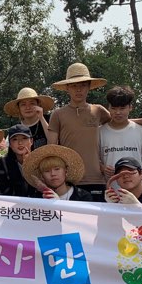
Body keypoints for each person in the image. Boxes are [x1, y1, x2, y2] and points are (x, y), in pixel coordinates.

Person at [47, 63, 111, 201]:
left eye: (83, 85)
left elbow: (120, 122)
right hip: (69, 181)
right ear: (67, 88)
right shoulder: (57, 114)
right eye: (74, 85)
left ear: (89, 87)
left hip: (96, 178)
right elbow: (51, 149)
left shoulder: (98, 110)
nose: (79, 90)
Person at [99, 86, 142, 183]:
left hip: (137, 193)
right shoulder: (99, 132)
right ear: (108, 108)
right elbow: (94, 160)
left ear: (130, 107)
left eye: (122, 108)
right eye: (113, 108)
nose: (118, 112)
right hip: (109, 191)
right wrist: (102, 168)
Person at [22, 144, 92, 202]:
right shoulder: (36, 199)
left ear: (66, 171)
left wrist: (58, 204)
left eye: (57, 169)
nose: (53, 174)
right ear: (42, 176)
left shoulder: (83, 196)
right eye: (47, 171)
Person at [0, 124, 42, 198]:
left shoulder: (41, 161)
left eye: (24, 138)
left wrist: (29, 167)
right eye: (15, 139)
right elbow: (3, 191)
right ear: (10, 144)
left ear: (31, 141)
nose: (20, 143)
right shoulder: (3, 163)